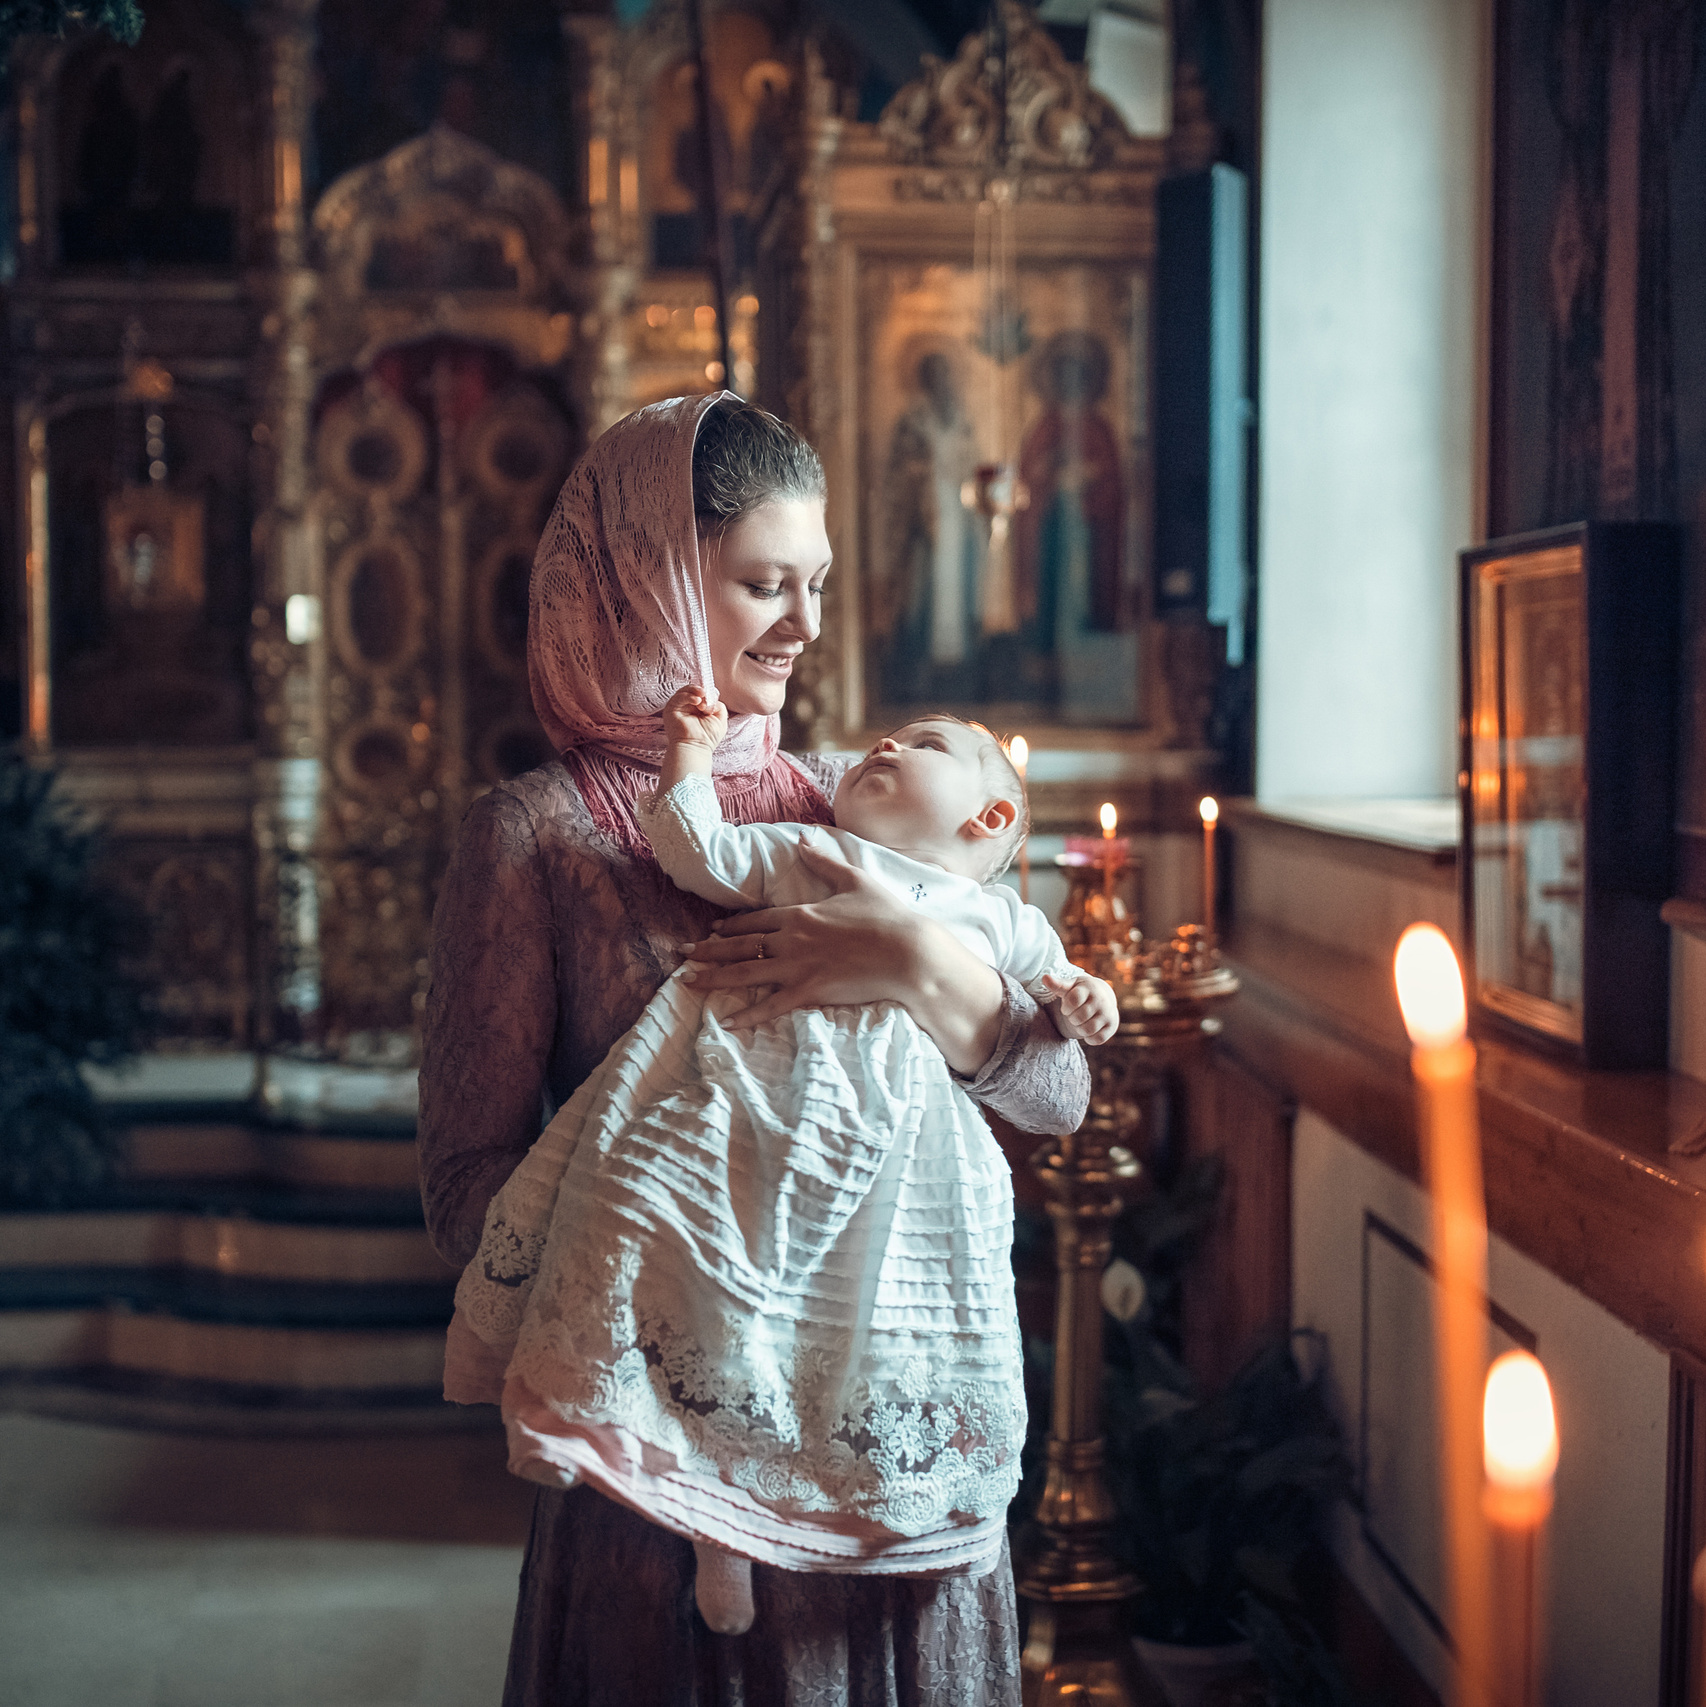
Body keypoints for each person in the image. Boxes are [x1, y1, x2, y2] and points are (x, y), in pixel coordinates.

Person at [417, 390, 1091, 1707]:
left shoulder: (864, 803)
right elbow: (462, 1191)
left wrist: (909, 961)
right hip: (661, 1506)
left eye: (818, 581)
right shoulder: (534, 836)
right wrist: (688, 1274)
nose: (808, 626)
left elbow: (1058, 1094)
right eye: (761, 584)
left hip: (890, 1468)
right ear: (646, 581)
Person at [447, 681, 1118, 1635]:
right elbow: (701, 849)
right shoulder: (816, 844)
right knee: (722, 1289)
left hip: (898, 1153)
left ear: (990, 817)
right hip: (755, 1102)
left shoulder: (991, 910)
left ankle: (902, 1510)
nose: (798, 618)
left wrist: (1055, 994)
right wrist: (687, 756)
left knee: (892, 1330)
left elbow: (1061, 1057)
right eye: (763, 584)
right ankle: (720, 1528)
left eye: (919, 743)